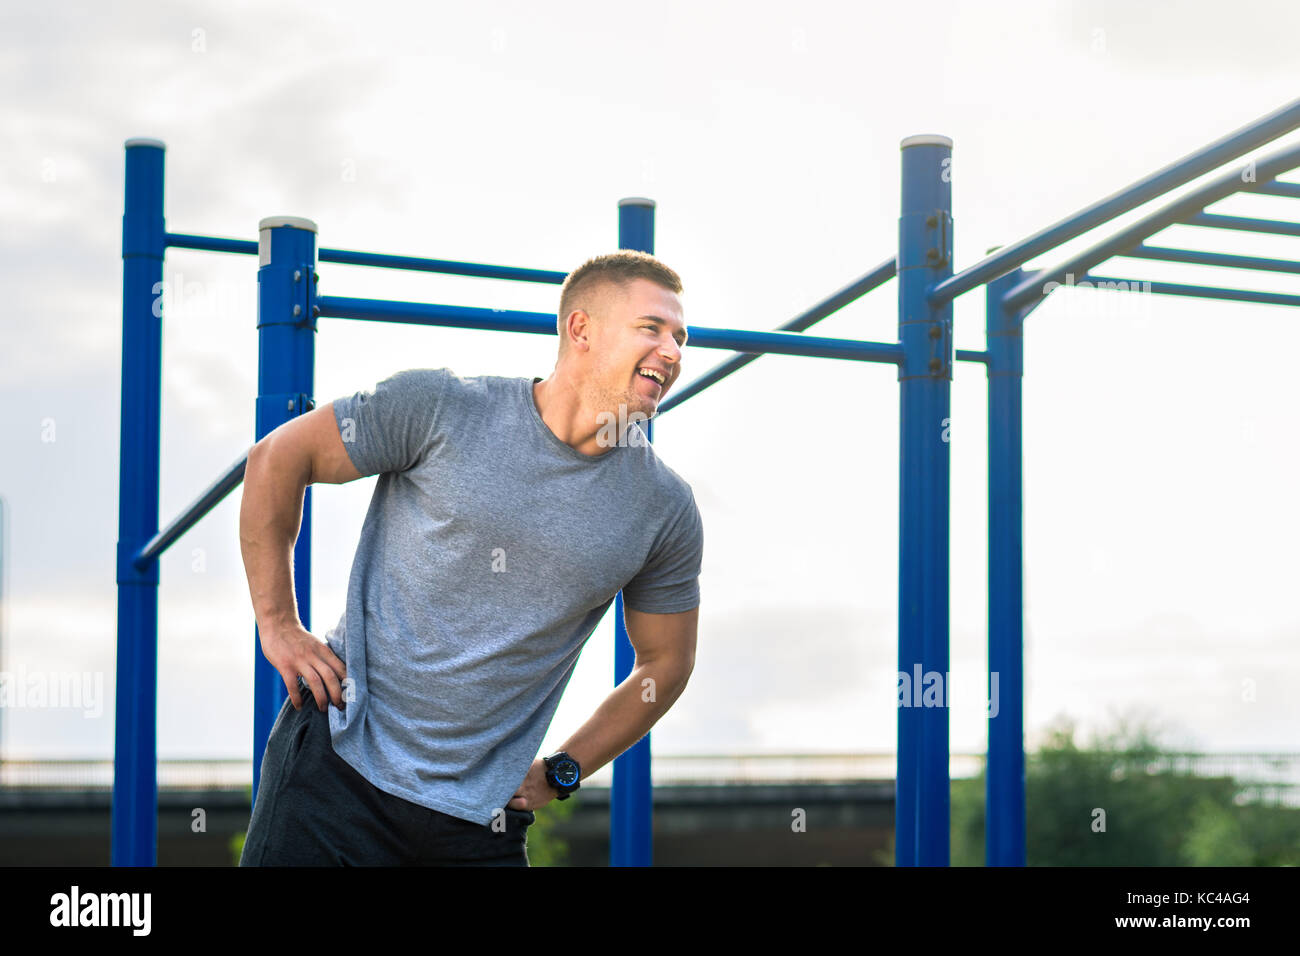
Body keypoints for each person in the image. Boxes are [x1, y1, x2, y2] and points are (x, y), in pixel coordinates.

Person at [237, 250, 703, 866]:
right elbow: (277, 459)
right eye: (652, 329)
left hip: (478, 823)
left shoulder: (663, 508)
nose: (672, 351)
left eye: (680, 337)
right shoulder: (440, 407)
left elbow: (665, 664)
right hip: (337, 774)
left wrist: (563, 770)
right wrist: (278, 625)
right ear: (580, 329)